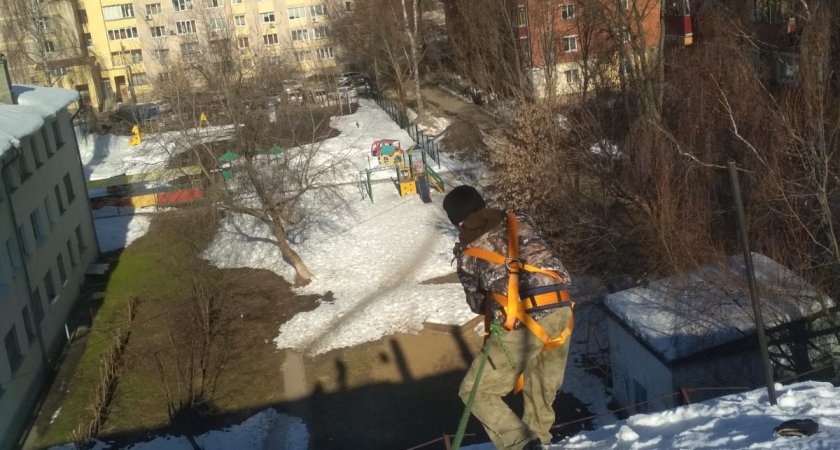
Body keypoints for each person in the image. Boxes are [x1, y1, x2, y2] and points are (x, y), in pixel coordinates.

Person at [443, 185, 573, 450]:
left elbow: (477, 303)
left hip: (523, 320)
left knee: (475, 391)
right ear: (483, 204)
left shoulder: (468, 254)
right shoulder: (520, 219)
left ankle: (521, 443)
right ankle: (540, 442)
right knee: (540, 387)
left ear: (458, 221)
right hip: (562, 310)